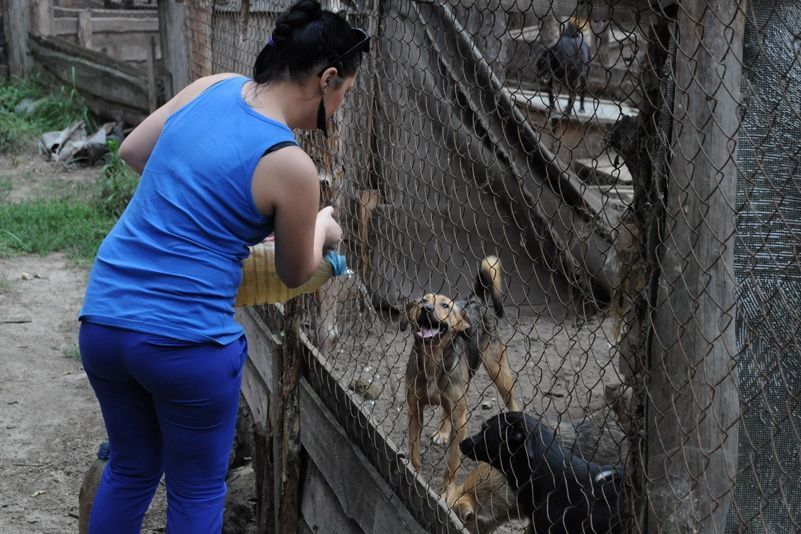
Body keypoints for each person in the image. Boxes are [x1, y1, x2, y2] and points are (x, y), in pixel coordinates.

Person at [77, 1, 369, 532]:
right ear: (327, 80)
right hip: (185, 343)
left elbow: (135, 150)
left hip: (104, 316)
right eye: (344, 94)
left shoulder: (213, 85)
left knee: (131, 468)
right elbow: (295, 271)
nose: (341, 108)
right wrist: (324, 228)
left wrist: (215, 204)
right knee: (196, 493)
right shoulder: (292, 165)